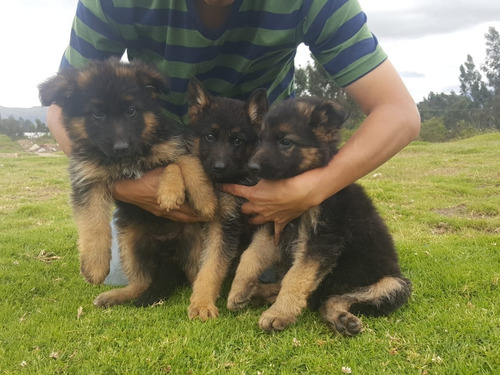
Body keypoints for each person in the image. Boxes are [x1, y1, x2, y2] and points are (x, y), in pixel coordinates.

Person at [46, 0, 421, 285]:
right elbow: (60, 107)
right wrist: (130, 188)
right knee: (120, 273)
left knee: (268, 270)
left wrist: (310, 189)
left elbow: (399, 113)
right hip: (161, 159)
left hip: (262, 160)